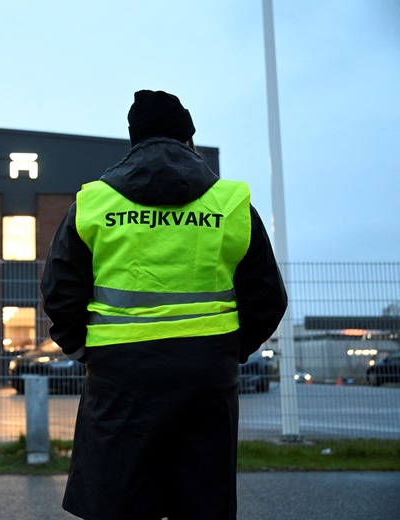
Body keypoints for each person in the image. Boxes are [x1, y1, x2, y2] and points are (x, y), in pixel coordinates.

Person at [40, 89, 288, 520]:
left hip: (119, 374)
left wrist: (81, 349)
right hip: (205, 373)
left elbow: (60, 290)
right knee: (202, 498)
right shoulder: (230, 203)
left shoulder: (95, 202)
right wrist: (229, 349)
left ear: (133, 140)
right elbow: (268, 296)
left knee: (119, 498)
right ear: (188, 139)